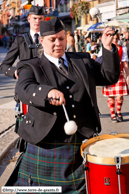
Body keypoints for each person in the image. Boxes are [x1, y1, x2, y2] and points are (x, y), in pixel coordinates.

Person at [5, 17, 120, 193]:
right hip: (45, 144)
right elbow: (24, 88)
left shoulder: (83, 60)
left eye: (61, 38)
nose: (58, 43)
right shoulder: (30, 65)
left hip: (79, 144)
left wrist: (107, 48)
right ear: (42, 41)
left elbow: (109, 77)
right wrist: (46, 93)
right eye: (52, 39)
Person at [0, 5, 44, 79]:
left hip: (47, 85)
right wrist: (15, 72)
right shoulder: (20, 40)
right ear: (29, 19)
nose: (37, 21)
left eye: (40, 18)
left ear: (44, 19)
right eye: (35, 18)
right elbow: (4, 65)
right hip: (27, 84)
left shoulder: (49, 39)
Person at [102, 32, 129, 123]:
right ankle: (112, 114)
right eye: (113, 39)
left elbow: (125, 63)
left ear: (118, 39)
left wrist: (128, 75)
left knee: (120, 95)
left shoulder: (122, 48)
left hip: (120, 73)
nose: (115, 40)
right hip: (108, 74)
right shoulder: (104, 48)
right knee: (110, 95)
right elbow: (98, 60)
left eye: (116, 39)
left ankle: (119, 112)